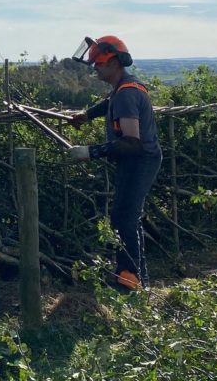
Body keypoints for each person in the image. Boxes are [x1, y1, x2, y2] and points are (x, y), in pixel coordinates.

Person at [65, 36, 161, 292]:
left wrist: (91, 151)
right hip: (140, 160)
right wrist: (87, 116)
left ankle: (128, 282)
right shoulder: (126, 87)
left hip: (139, 160)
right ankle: (137, 279)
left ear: (113, 62)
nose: (95, 68)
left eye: (98, 63)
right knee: (128, 218)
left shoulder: (127, 95)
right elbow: (109, 103)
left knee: (124, 219)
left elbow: (133, 143)